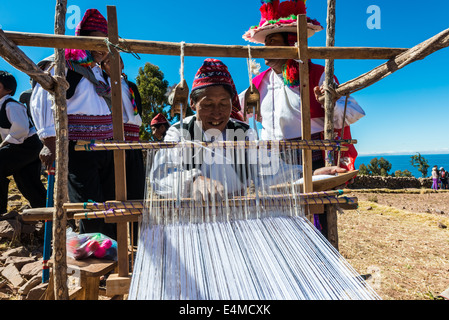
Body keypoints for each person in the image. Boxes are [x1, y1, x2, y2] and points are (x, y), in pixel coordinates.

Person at [240, 0, 365, 235]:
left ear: (291, 44)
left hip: (313, 158)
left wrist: (327, 104)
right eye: (265, 44)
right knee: (280, 223)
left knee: (317, 222)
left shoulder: (318, 75)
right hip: (274, 165)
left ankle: (322, 266)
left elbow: (353, 112)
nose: (265, 51)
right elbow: (233, 110)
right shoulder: (258, 84)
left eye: (273, 43)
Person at [151, 58, 346, 201]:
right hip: (191, 223)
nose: (217, 113)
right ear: (193, 104)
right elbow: (161, 175)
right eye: (208, 104)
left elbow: (271, 173)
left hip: (235, 217)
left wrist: (310, 176)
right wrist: (194, 180)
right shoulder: (179, 132)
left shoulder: (243, 133)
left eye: (223, 104)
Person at [30, 9, 117, 239]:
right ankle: (93, 267)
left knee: (111, 207)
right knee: (90, 209)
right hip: (78, 148)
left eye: (107, 42)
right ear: (82, 38)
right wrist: (49, 140)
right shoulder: (63, 63)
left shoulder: (98, 71)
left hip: (106, 148)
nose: (103, 47)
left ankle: (111, 258)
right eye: (98, 40)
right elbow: (41, 97)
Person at [101, 54, 145, 243]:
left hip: (133, 144)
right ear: (102, 66)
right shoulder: (100, 84)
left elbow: (138, 114)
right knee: (112, 194)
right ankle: (111, 246)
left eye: (117, 60)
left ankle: (138, 244)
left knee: (137, 193)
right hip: (112, 147)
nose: (114, 64)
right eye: (108, 61)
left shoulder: (131, 87)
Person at [0, 71, 46, 214]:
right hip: (23, 147)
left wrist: (4, 144)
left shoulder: (11, 105)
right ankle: (46, 216)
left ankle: (0, 212)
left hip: (27, 146)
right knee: (27, 182)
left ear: (8, 89)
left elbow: (21, 128)